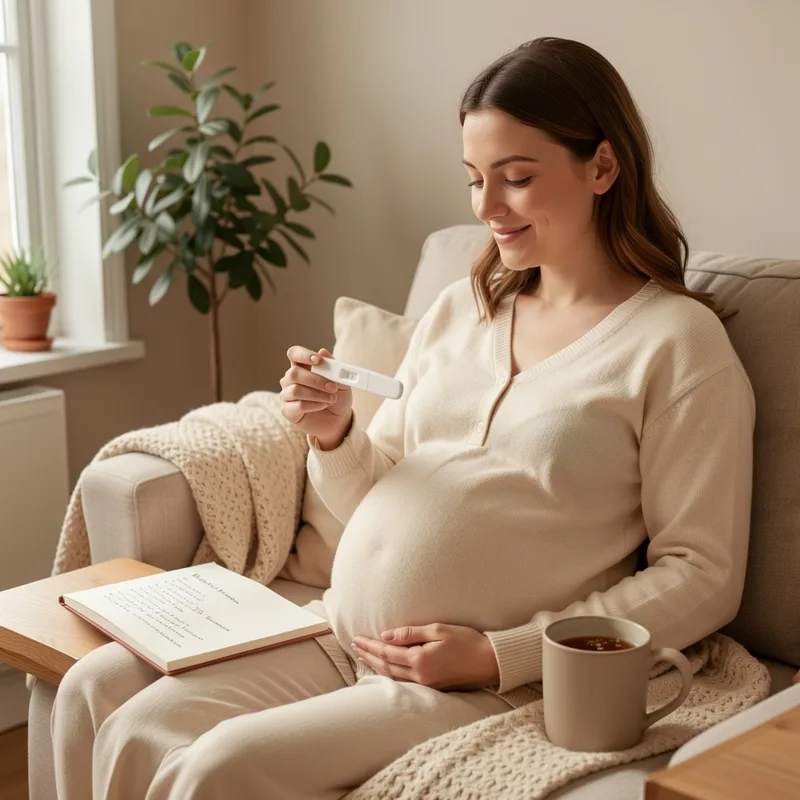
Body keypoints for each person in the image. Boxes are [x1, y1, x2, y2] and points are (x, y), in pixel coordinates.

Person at [51, 36, 755, 799]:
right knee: (99, 695)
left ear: (603, 167)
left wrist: (499, 655)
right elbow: (372, 496)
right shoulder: (462, 310)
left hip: (470, 682)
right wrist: (335, 434)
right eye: (475, 179)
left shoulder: (677, 343)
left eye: (516, 179)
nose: (487, 208)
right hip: (337, 629)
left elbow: (704, 575)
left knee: (220, 770)